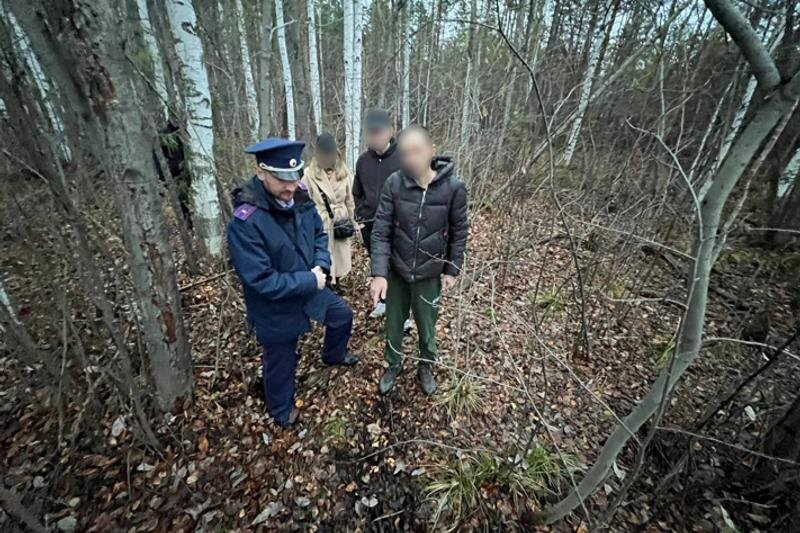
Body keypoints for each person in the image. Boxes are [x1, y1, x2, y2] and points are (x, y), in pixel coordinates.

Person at [227, 138, 359, 428]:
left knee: (342, 316)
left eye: (295, 177)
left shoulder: (298, 195)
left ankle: (333, 355)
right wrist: (309, 280)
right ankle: (280, 410)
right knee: (280, 359)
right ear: (261, 172)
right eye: (281, 179)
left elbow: (319, 234)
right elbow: (260, 279)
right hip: (275, 304)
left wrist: (321, 265)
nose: (290, 186)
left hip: (310, 285)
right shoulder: (245, 222)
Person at [370, 125, 469, 395]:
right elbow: (381, 230)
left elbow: (459, 233)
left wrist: (451, 269)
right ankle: (393, 363)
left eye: (416, 151)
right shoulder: (394, 182)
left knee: (427, 325)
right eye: (404, 154)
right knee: (393, 322)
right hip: (397, 271)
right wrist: (379, 273)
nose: (410, 159)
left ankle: (426, 365)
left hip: (429, 273)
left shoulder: (454, 188)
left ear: (431, 151)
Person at [354, 109, 402, 317]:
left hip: (399, 228)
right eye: (371, 133)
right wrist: (361, 215)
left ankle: (402, 310)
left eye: (379, 132)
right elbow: (357, 192)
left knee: (398, 268)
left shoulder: (403, 158)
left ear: (390, 131)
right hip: (371, 228)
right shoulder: (363, 162)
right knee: (379, 264)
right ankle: (383, 301)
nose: (375, 137)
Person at [303, 133, 357, 289]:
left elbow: (350, 199)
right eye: (324, 154)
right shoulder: (309, 174)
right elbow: (304, 202)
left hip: (340, 219)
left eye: (330, 154)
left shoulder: (344, 173)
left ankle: (338, 281)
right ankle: (327, 282)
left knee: (340, 254)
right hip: (321, 221)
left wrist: (353, 222)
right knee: (324, 253)